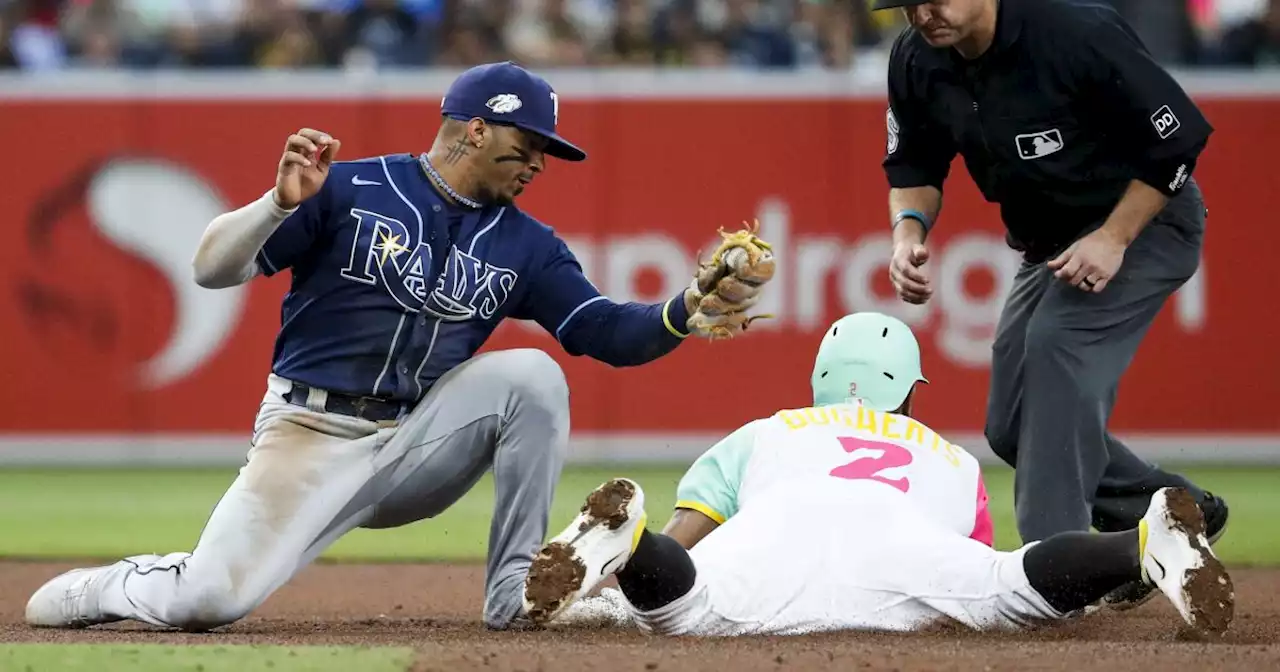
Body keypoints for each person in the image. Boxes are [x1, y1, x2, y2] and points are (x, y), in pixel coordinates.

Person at [24, 61, 774, 633]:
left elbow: (605, 332)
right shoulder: (350, 189)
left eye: (546, 150)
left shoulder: (528, 246)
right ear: (475, 129)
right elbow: (210, 268)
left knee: (533, 377)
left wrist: (683, 310)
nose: (539, 161)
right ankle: (117, 585)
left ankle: (513, 593)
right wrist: (280, 201)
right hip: (308, 436)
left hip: (418, 440)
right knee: (211, 601)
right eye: (528, 143)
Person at [520, 312, 1235, 638]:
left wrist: (624, 594)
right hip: (903, 545)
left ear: (821, 381)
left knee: (682, 606)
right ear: (910, 390)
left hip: (776, 537)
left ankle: (628, 538)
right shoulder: (951, 457)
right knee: (1006, 587)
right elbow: (987, 563)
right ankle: (1142, 543)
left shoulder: (765, 432)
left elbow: (693, 537)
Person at [873, 0, 1229, 610]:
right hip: (1052, 245)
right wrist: (908, 231)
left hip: (1144, 224)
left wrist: (1113, 238)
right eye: (908, 2)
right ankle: (1180, 512)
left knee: (1057, 350)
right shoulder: (916, 57)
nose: (922, 12)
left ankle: (1057, 578)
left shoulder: (1073, 31)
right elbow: (914, 162)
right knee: (1013, 426)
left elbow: (1178, 139)